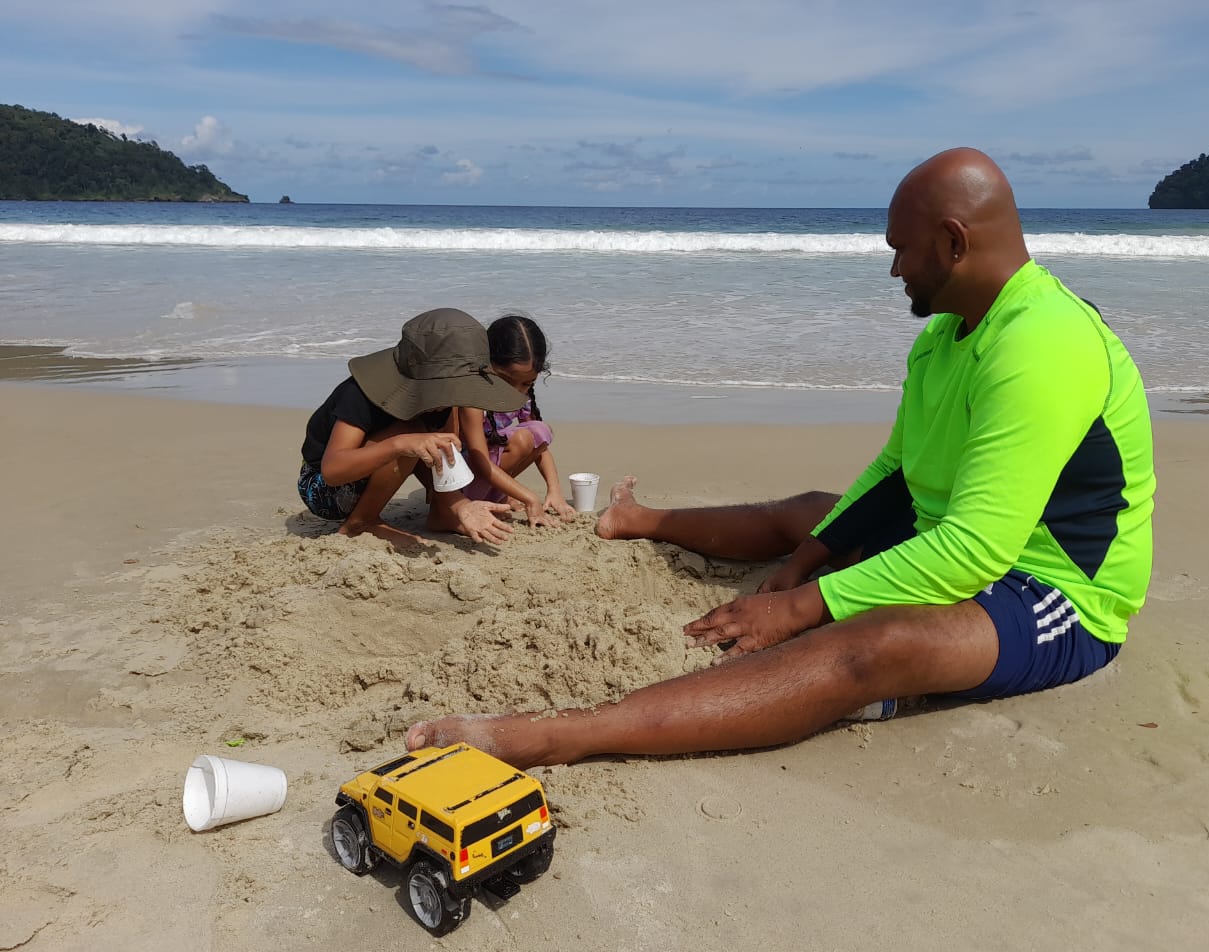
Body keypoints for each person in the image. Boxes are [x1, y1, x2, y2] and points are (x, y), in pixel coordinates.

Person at [404, 148, 1157, 769]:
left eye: (902, 249)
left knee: (873, 647)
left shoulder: (1042, 342)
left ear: (954, 243)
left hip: (1050, 591)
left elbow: (977, 550)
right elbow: (896, 472)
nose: (896, 270)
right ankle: (640, 520)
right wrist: (807, 559)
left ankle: (566, 734)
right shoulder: (943, 337)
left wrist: (799, 607)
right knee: (809, 514)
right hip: (953, 539)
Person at [298, 308, 527, 548]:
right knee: (409, 432)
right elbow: (333, 471)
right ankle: (360, 523)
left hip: (365, 475)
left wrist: (460, 505)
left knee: (433, 440)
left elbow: (443, 458)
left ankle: (442, 511)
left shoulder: (447, 401)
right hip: (323, 490)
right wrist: (399, 445)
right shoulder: (359, 393)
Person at [454, 314, 577, 528]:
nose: (517, 391)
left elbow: (541, 446)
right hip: (461, 479)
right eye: (508, 381)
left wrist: (554, 491)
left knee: (537, 430)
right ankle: (484, 500)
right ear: (489, 364)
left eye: (527, 383)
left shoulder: (523, 395)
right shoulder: (472, 398)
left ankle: (498, 495)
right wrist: (529, 497)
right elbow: (480, 462)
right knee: (519, 439)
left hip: (487, 471)